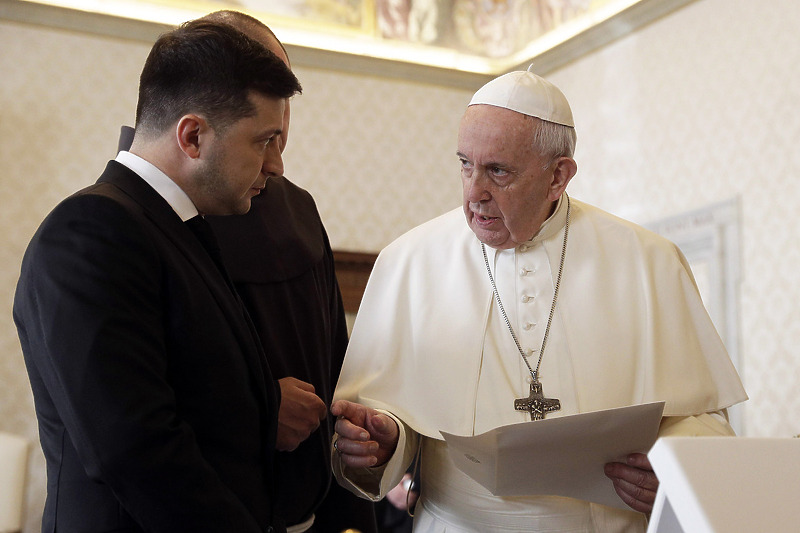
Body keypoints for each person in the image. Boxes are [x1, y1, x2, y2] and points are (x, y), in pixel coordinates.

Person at [329, 68, 748, 532]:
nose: (474, 193)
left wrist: (672, 468)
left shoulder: (648, 261)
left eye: (498, 171)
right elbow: (383, 420)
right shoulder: (408, 261)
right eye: (465, 164)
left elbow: (702, 416)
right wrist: (384, 442)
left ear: (558, 176)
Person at [14, 20, 302, 532]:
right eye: (265, 141)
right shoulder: (89, 231)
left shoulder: (178, 228)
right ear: (193, 135)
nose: (276, 166)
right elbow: (133, 448)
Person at [118, 10, 378, 533]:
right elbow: (135, 420)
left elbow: (337, 359)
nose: (276, 161)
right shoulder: (130, 226)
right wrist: (263, 410)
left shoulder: (297, 208)